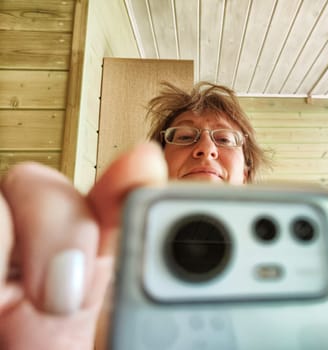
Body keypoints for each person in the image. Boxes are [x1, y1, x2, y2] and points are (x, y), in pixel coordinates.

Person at [0, 81, 269, 349]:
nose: (206, 149)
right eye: (185, 136)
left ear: (245, 173)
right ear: (161, 162)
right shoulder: (105, 261)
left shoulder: (276, 272)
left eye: (224, 139)